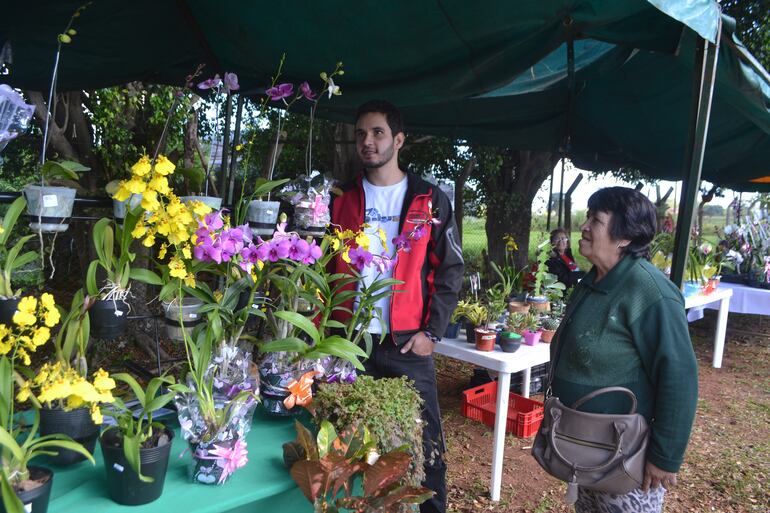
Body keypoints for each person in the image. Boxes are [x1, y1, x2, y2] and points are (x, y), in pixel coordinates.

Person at [329, 100, 464, 513]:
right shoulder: (339, 198)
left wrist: (432, 334)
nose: (367, 142)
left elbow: (450, 270)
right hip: (350, 342)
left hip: (407, 344)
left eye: (377, 133)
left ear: (398, 140)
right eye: (361, 135)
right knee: (345, 439)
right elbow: (319, 266)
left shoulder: (429, 199)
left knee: (426, 443)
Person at [548, 187, 698, 513]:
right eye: (587, 217)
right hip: (586, 446)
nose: (584, 226)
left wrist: (664, 457)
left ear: (625, 238)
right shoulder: (593, 281)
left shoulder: (650, 292)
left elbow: (680, 377)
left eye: (596, 220)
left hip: (625, 453)